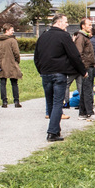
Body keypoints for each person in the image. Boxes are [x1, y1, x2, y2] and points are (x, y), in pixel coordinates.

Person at [34, 13, 86, 142]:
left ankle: (55, 130)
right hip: (59, 73)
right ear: (58, 22)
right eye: (66, 22)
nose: (67, 24)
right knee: (58, 102)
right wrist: (82, 71)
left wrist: (41, 70)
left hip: (45, 74)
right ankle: (52, 132)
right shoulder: (64, 36)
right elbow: (74, 55)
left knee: (50, 102)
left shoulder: (43, 36)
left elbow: (36, 57)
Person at [72, 18, 95, 118]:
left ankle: (82, 112)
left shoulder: (86, 37)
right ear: (83, 26)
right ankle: (89, 112)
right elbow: (78, 53)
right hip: (86, 67)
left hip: (89, 66)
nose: (91, 27)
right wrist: (83, 68)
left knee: (84, 90)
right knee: (87, 90)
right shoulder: (81, 37)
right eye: (89, 25)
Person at [0, 24, 23, 108]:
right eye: (12, 30)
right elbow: (16, 53)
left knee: (2, 83)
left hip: (0, 65)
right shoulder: (12, 41)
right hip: (11, 64)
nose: (13, 31)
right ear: (6, 30)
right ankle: (16, 101)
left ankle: (4, 102)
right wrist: (17, 61)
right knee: (14, 83)